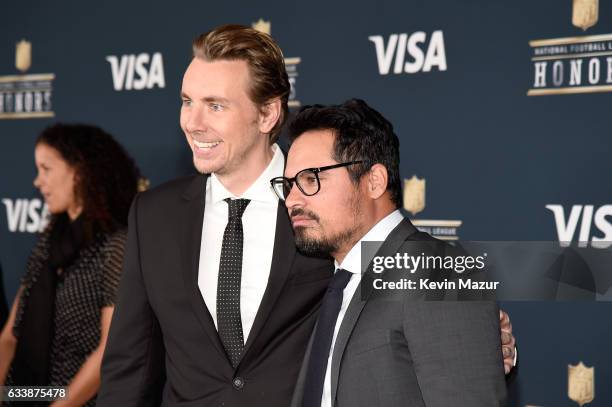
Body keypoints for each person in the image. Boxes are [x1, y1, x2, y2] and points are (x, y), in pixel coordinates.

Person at [98, 25, 515, 407]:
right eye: (187, 101)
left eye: (215, 105)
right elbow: (131, 363)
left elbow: (415, 288)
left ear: (268, 114)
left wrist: (481, 334)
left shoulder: (326, 210)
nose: (192, 121)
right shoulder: (154, 214)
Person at [275, 99, 507, 406]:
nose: (292, 200)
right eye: (289, 184)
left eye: (310, 179)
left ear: (374, 181)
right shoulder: (331, 282)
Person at [0, 123, 140, 406]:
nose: (37, 182)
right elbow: (9, 336)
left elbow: (109, 350)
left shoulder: (115, 245)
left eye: (46, 169)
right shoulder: (49, 240)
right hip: (27, 395)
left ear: (78, 172)